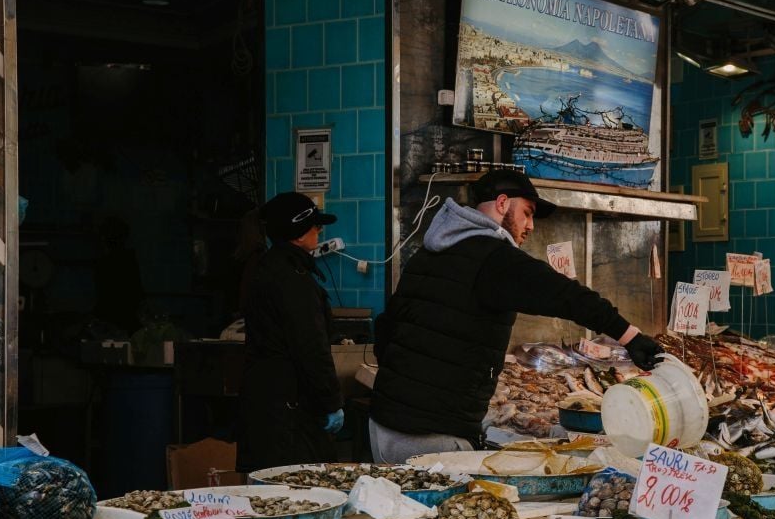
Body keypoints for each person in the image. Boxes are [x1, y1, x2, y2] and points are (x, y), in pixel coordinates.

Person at [369, 169, 665, 463]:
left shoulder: (427, 253)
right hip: (431, 435)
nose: (531, 225)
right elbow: (566, 296)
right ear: (501, 204)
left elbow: (385, 328)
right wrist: (630, 337)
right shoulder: (493, 257)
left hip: (383, 428)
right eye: (527, 212)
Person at [237, 192, 344, 473]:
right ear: (297, 234)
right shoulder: (292, 279)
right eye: (315, 225)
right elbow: (311, 347)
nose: (319, 230)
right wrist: (331, 402)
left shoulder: (267, 268)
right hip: (289, 411)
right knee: (295, 491)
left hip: (268, 406)